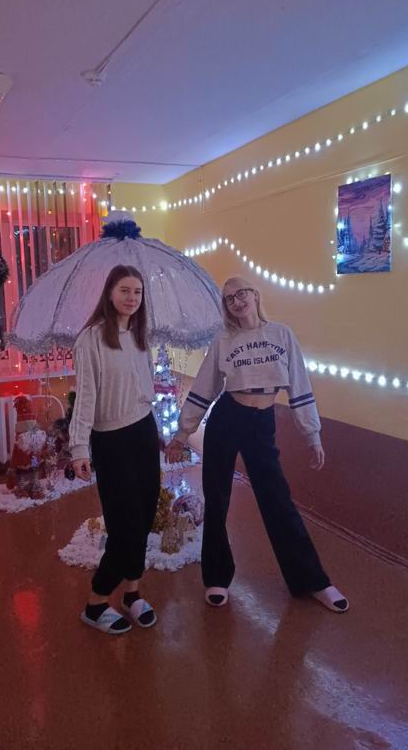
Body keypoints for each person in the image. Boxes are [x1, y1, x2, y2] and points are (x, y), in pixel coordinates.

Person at [165, 276, 348, 613]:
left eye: (241, 294)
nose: (237, 301)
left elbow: (299, 386)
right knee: (217, 497)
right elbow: (204, 389)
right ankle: (217, 577)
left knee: (277, 499)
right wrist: (181, 434)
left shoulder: (282, 334)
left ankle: (312, 581)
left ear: (255, 295)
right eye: (229, 298)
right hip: (227, 418)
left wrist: (312, 434)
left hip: (262, 423)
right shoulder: (223, 340)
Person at [70, 264, 160, 634]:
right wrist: (79, 447)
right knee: (126, 525)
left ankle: (132, 593)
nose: (131, 298)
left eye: (137, 292)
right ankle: (96, 603)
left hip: (143, 431)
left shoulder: (139, 335)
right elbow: (85, 396)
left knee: (146, 514)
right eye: (125, 290)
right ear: (109, 292)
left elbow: (145, 382)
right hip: (111, 439)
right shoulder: (91, 339)